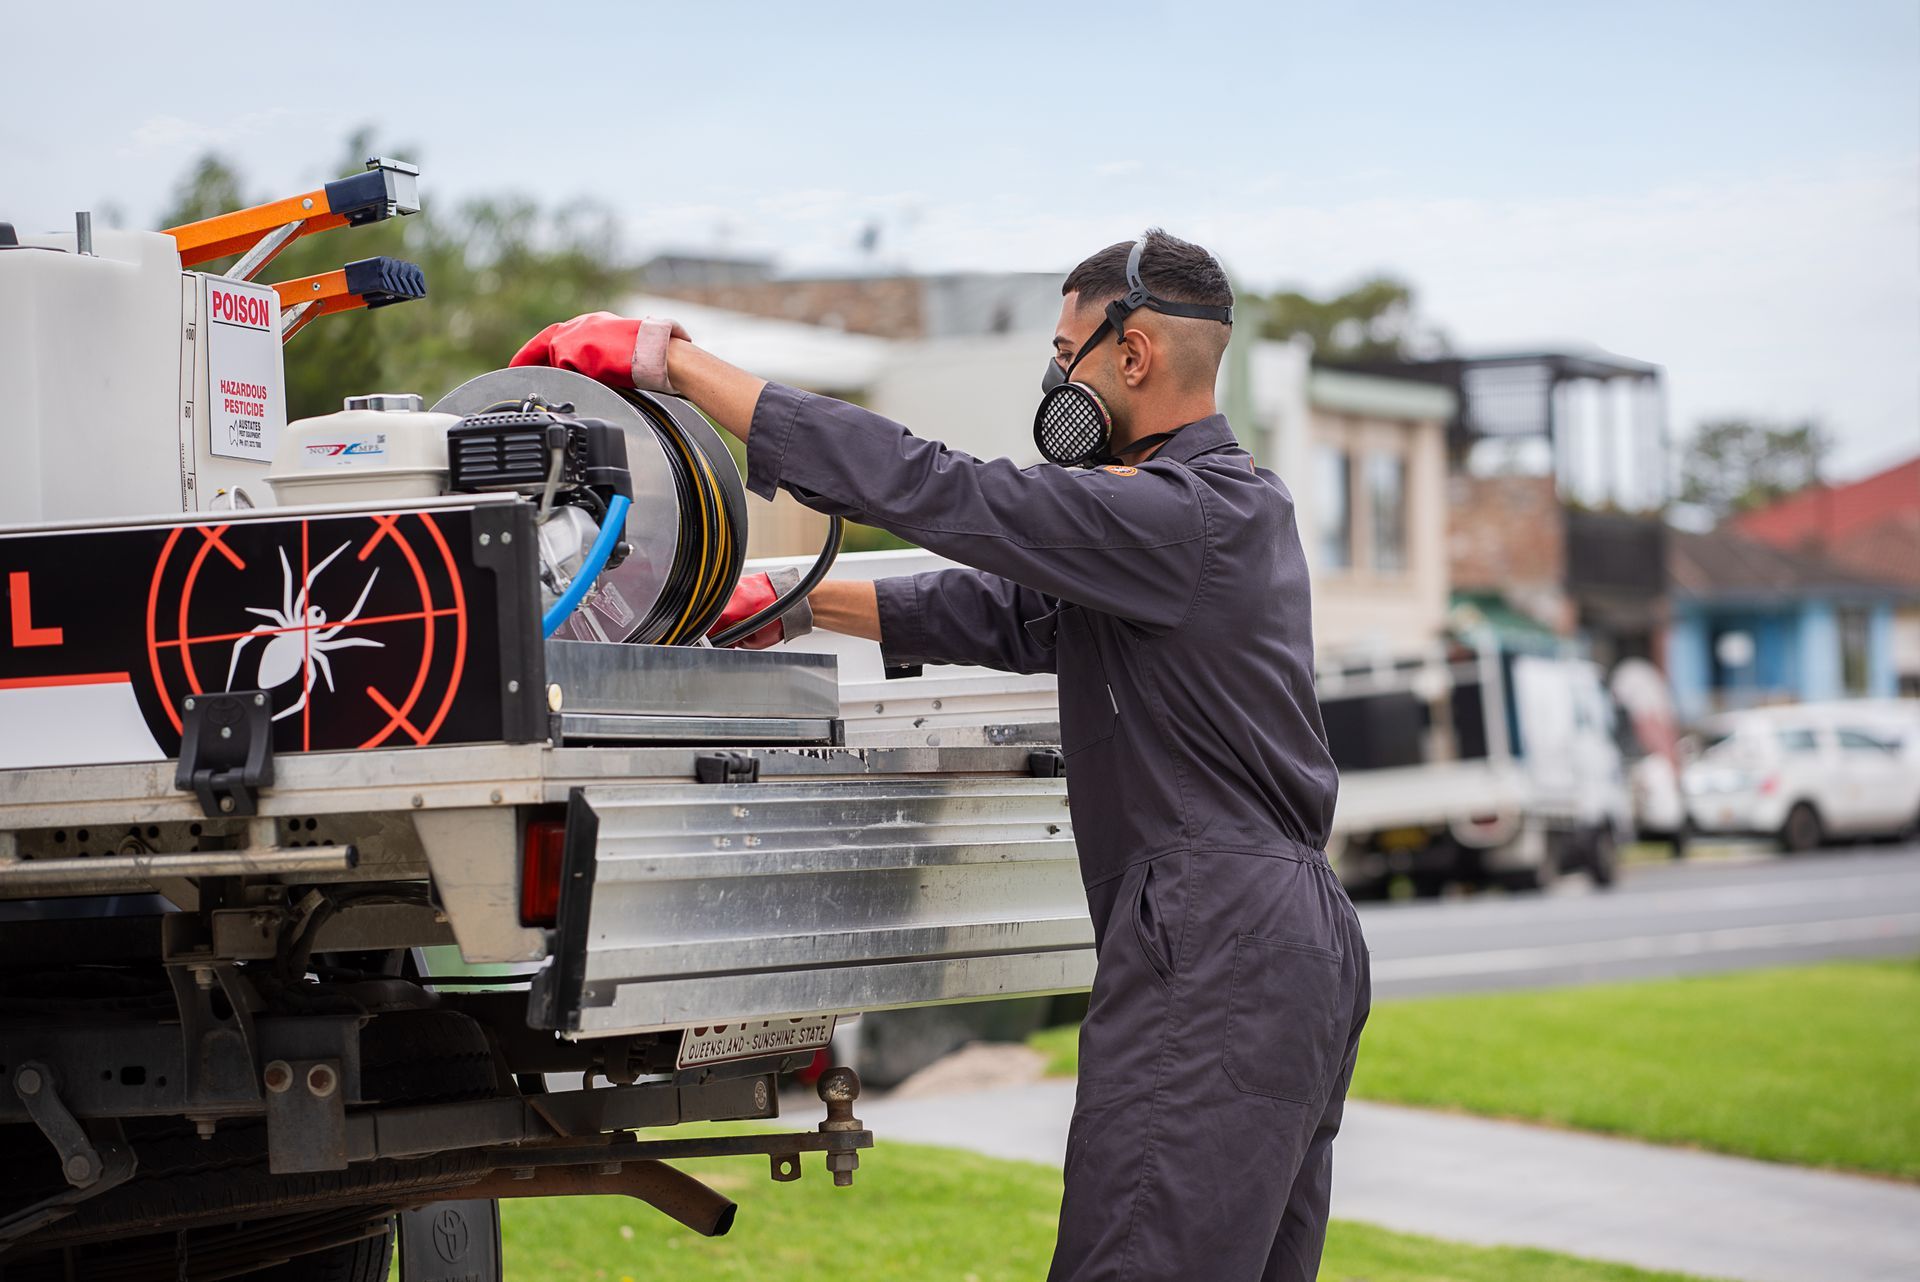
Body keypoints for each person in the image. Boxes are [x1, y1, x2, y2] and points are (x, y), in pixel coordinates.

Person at [512, 228, 1370, 1282]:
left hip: (1219, 940)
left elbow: (949, 493)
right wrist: (777, 597)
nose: (1057, 376)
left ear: (1133, 355)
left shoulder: (1176, 516)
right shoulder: (1225, 515)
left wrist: (671, 362)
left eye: (1068, 351)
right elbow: (1008, 613)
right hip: (1288, 944)